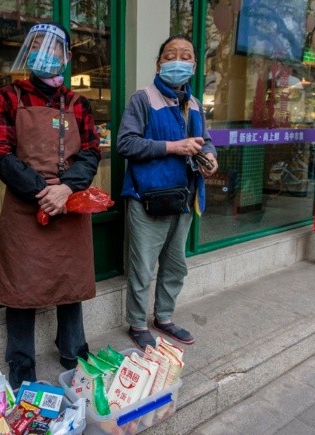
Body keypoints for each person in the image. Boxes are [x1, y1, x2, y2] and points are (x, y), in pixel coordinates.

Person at [0, 23, 101, 388]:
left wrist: (66, 188)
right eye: (37, 46)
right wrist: (42, 191)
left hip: (70, 206)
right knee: (21, 288)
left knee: (71, 282)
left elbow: (91, 152)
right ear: (26, 52)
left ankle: (74, 350)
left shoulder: (77, 103)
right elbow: (0, 153)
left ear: (67, 56)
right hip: (25, 209)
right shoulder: (9, 98)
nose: (46, 54)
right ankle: (21, 364)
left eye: (55, 48)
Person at [117, 34, 217, 348]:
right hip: (149, 197)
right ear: (159, 62)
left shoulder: (195, 103)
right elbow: (125, 143)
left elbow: (206, 140)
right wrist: (173, 147)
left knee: (175, 265)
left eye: (186, 54)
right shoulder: (142, 99)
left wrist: (210, 157)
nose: (178, 59)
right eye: (171, 54)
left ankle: (164, 317)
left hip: (184, 196)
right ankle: (136, 323)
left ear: (195, 64)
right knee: (143, 266)